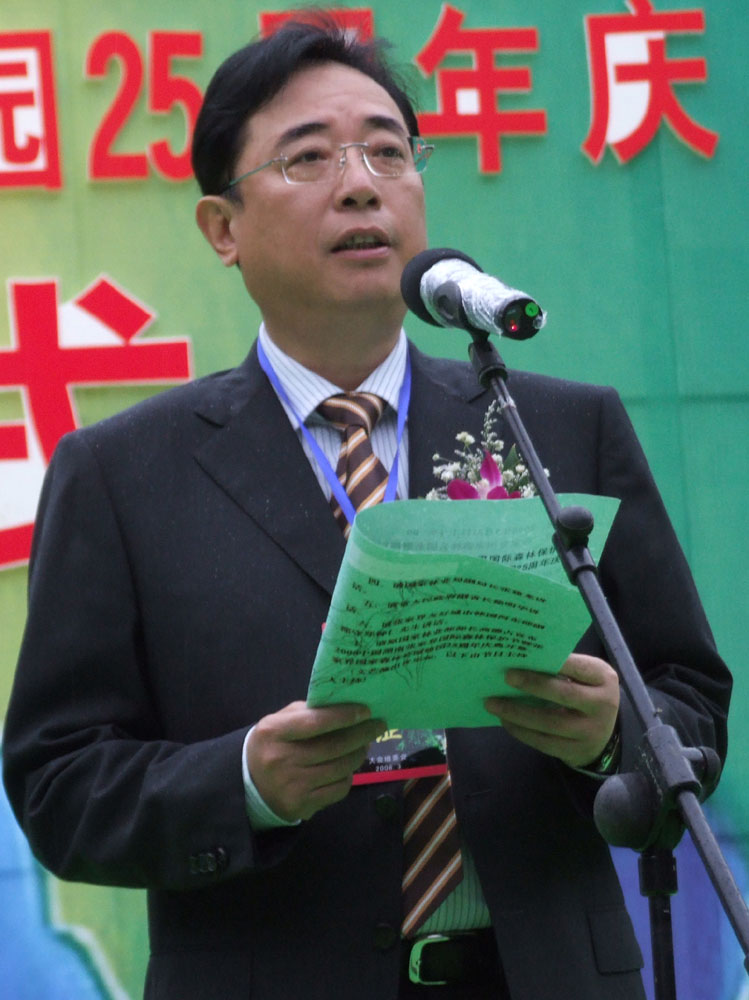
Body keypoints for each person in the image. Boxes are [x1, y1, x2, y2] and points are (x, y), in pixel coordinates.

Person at [2, 17, 731, 1000]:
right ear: (222, 228)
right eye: (307, 158)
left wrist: (613, 734)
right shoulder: (122, 474)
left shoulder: (556, 427)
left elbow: (688, 695)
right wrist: (246, 782)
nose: (360, 185)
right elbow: (57, 783)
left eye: (388, 151)